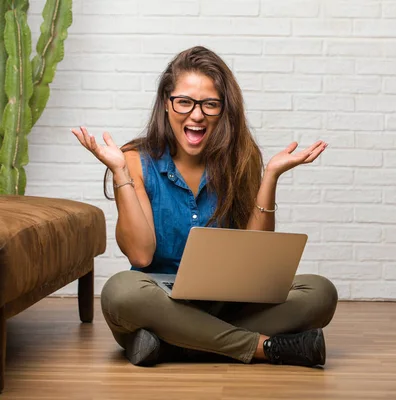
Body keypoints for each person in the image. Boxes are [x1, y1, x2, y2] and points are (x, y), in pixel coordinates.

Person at [71, 46, 338, 368]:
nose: (196, 115)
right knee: (121, 292)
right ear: (166, 104)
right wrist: (120, 173)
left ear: (224, 110)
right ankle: (266, 347)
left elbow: (255, 258)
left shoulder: (242, 159)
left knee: (320, 292)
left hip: (228, 302)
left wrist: (270, 177)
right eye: (184, 101)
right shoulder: (135, 161)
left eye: (210, 105)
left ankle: (172, 345)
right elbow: (140, 256)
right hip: (159, 299)